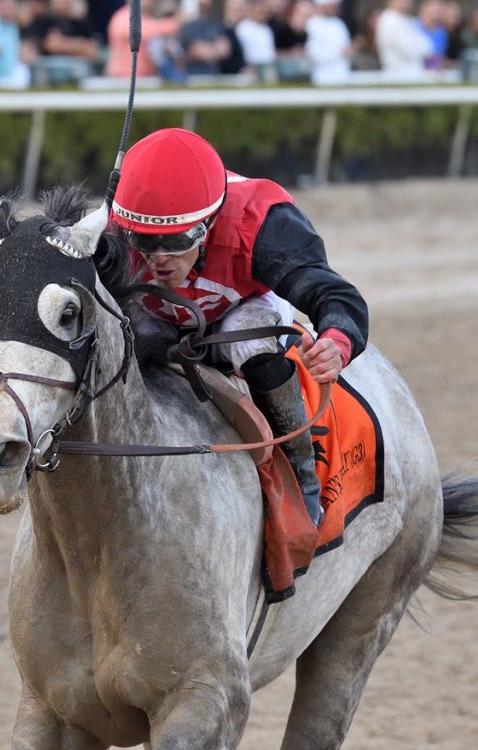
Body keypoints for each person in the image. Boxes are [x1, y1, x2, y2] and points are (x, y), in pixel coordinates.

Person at [109, 128, 369, 527]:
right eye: (145, 241)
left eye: (177, 241)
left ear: (208, 223)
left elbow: (332, 293)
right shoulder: (112, 229)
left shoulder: (265, 224)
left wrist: (337, 341)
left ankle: (301, 479)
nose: (159, 259)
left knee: (255, 349)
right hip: (153, 316)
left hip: (243, 306)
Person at [375, 0, 432, 73]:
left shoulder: (408, 19)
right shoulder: (389, 20)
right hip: (398, 77)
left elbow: (428, 47)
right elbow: (411, 51)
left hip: (415, 75)